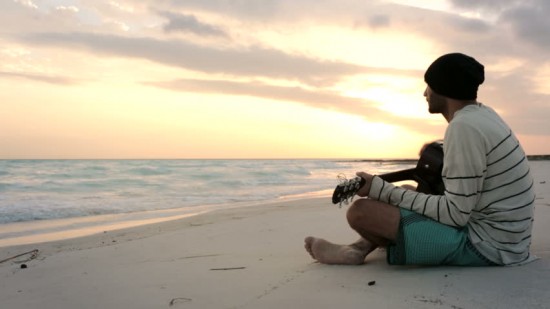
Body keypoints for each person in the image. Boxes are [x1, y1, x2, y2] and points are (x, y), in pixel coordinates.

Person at [305, 53, 536, 266]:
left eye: (429, 85)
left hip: (488, 247)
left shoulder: (463, 127)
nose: (425, 93)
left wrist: (379, 189)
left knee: (360, 212)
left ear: (443, 88)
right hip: (509, 239)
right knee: (407, 189)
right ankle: (358, 248)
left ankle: (358, 249)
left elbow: (455, 214)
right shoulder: (483, 115)